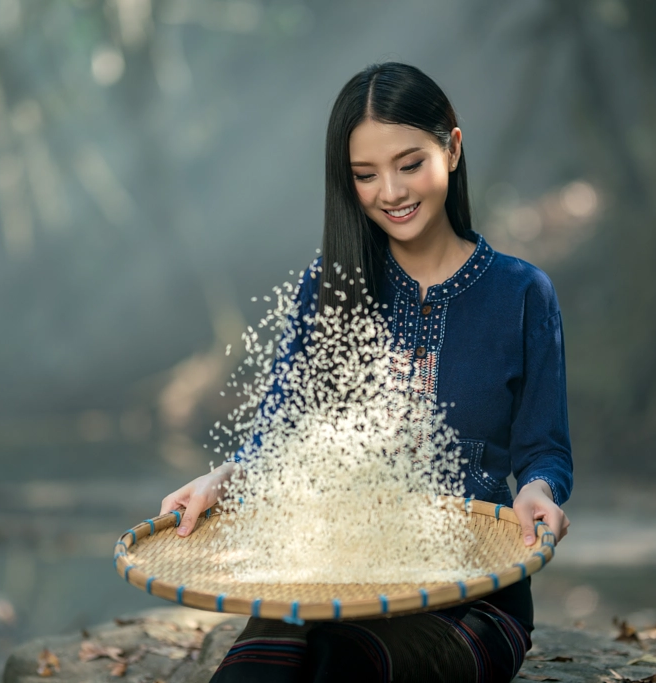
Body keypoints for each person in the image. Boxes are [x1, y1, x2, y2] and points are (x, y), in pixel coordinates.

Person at [159, 62, 572, 683]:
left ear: (452, 150)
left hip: (474, 595)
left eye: (410, 164)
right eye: (365, 174)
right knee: (260, 668)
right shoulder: (330, 288)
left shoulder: (521, 294)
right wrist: (228, 474)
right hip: (339, 574)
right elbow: (280, 430)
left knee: (340, 664)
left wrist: (539, 489)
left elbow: (544, 449)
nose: (392, 192)